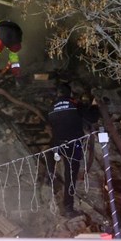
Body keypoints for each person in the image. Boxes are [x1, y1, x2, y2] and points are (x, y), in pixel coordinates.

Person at [46, 83, 98, 216]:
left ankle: (48, 182)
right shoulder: (74, 104)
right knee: (70, 176)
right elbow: (92, 118)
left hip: (56, 145)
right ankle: (68, 208)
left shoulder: (52, 107)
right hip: (72, 145)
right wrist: (95, 105)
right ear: (69, 94)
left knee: (51, 166)